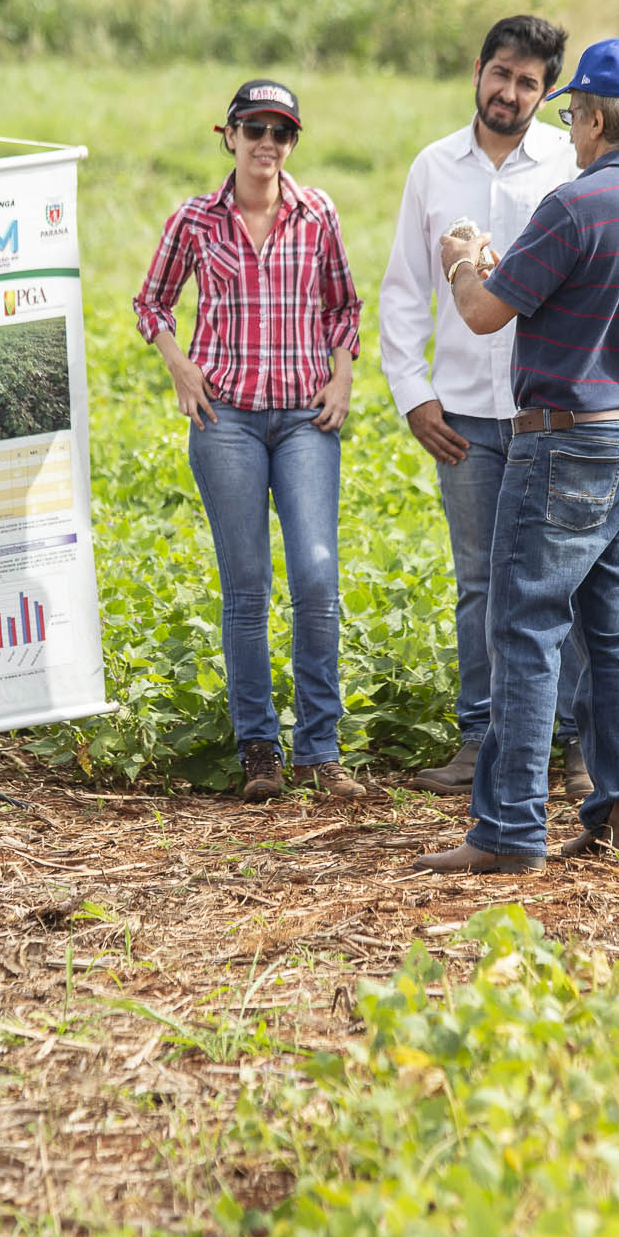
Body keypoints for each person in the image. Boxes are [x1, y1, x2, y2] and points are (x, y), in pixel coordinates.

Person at [413, 37, 619, 873]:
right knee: (612, 628)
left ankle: (510, 828)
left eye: (573, 114)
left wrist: (464, 258)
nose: (568, 129)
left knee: (525, 625)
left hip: (563, 436)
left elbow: (486, 312)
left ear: (597, 118)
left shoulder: (573, 204)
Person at [134, 80, 366, 805]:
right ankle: (259, 747)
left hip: (304, 418)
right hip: (225, 418)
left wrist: (343, 378)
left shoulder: (317, 212)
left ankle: (320, 750)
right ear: (227, 135)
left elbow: (343, 306)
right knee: (246, 587)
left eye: (281, 131)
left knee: (317, 575)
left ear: (293, 142)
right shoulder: (196, 220)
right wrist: (180, 367)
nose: (268, 143)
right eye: (254, 129)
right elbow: (152, 302)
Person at [378, 15, 592, 800]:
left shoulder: (569, 167)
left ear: (549, 91)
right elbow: (405, 290)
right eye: (500, 73)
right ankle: (481, 739)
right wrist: (414, 393)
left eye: (529, 81)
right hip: (462, 413)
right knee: (478, 580)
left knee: (554, 579)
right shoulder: (434, 167)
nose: (509, 92)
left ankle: (567, 742)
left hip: (548, 410)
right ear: (478, 69)